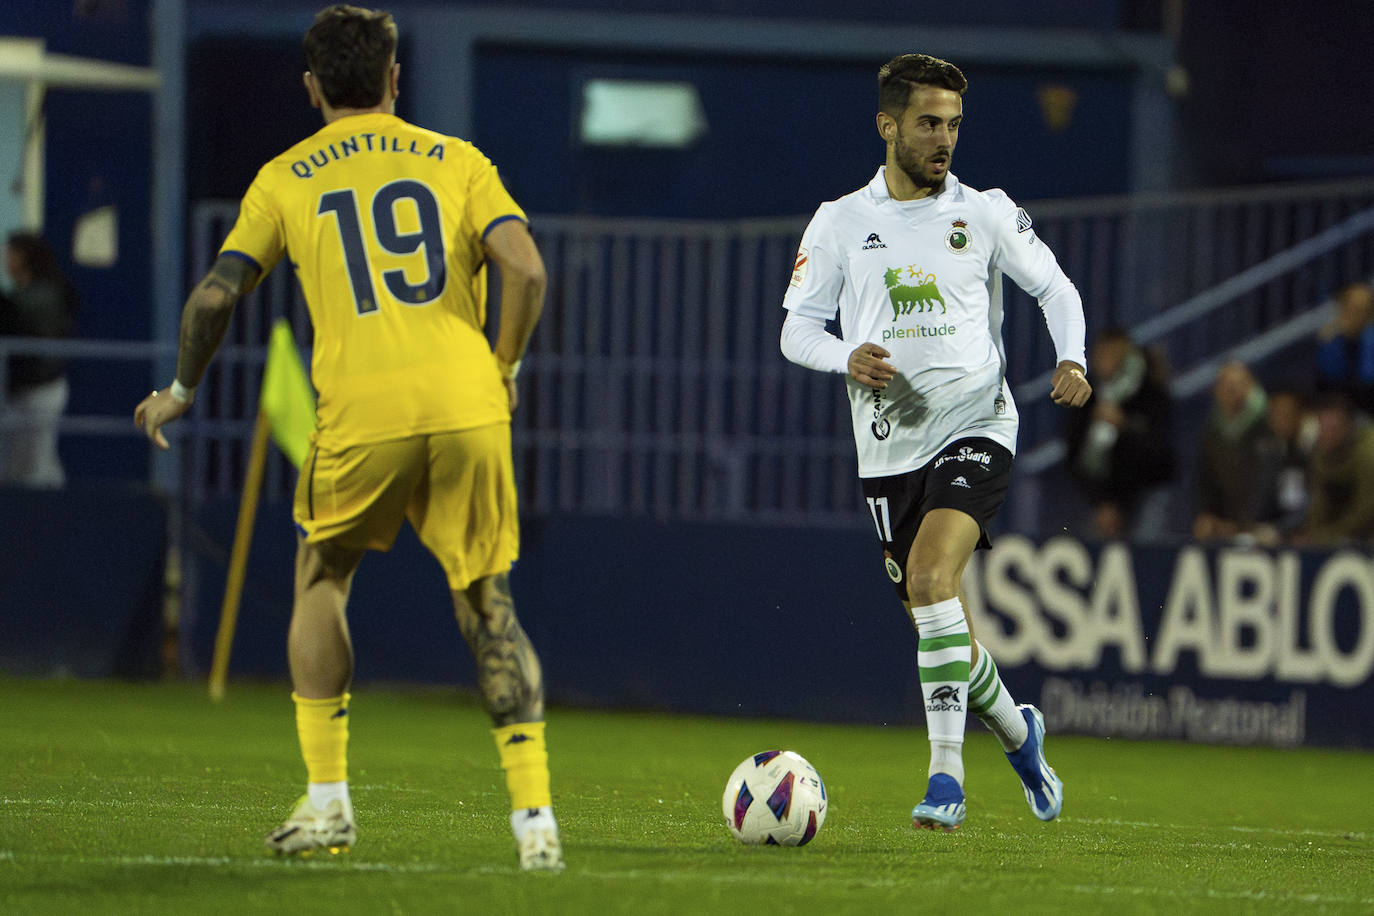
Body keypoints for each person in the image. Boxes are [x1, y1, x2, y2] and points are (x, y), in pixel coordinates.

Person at [134, 5, 561, 870]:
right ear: (395, 79)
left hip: (362, 411)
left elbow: (217, 296)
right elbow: (525, 267)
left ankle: (328, 803)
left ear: (314, 86)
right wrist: (504, 367)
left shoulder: (285, 177)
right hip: (467, 401)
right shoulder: (457, 161)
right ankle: (535, 824)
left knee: (321, 574)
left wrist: (180, 391)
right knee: (488, 601)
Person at [779, 53, 1091, 831]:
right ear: (888, 126)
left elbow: (1054, 287)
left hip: (978, 422)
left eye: (952, 123)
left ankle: (945, 778)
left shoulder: (985, 211)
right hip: (888, 449)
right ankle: (1021, 736)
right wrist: (844, 355)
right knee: (937, 612)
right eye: (927, 123)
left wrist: (1072, 357)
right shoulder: (841, 222)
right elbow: (796, 330)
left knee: (929, 577)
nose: (943, 138)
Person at [1063, 327, 1176, 540]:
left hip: (1145, 494)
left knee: (1146, 557)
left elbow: (1160, 451)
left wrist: (1125, 426)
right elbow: (1075, 450)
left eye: (1114, 355)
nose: (1106, 362)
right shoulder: (1086, 395)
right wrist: (1100, 503)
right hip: (1099, 500)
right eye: (1101, 355)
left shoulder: (1150, 391)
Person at [0, 232, 78, 488]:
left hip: (41, 387)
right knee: (23, 462)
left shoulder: (42, 295)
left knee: (35, 464)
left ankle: (44, 519)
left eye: (10, 255)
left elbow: (21, 324)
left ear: (24, 258)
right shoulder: (25, 294)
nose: (5, 261)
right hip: (24, 389)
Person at [1192, 361, 1283, 543]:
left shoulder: (1269, 424)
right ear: (1216, 390)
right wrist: (1208, 514)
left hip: (1265, 526)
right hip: (1227, 523)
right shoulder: (1212, 428)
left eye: (1238, 384)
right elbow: (1206, 478)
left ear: (1251, 387)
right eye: (1226, 384)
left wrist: (1246, 524)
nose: (1231, 390)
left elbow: (1268, 481)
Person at [1293, 391, 1374, 546]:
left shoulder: (1369, 451)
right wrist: (1314, 533)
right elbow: (1319, 498)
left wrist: (1329, 536)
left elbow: (1367, 507)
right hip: (1341, 529)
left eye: (1333, 428)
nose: (1327, 434)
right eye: (1323, 427)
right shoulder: (1322, 445)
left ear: (1349, 425)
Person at [1314, 282, 1374, 415]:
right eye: (1352, 308)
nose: (1356, 315)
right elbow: (1325, 385)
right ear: (1342, 308)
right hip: (1336, 414)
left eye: (1363, 309)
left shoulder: (1370, 341)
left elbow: (1368, 382)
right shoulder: (1327, 343)